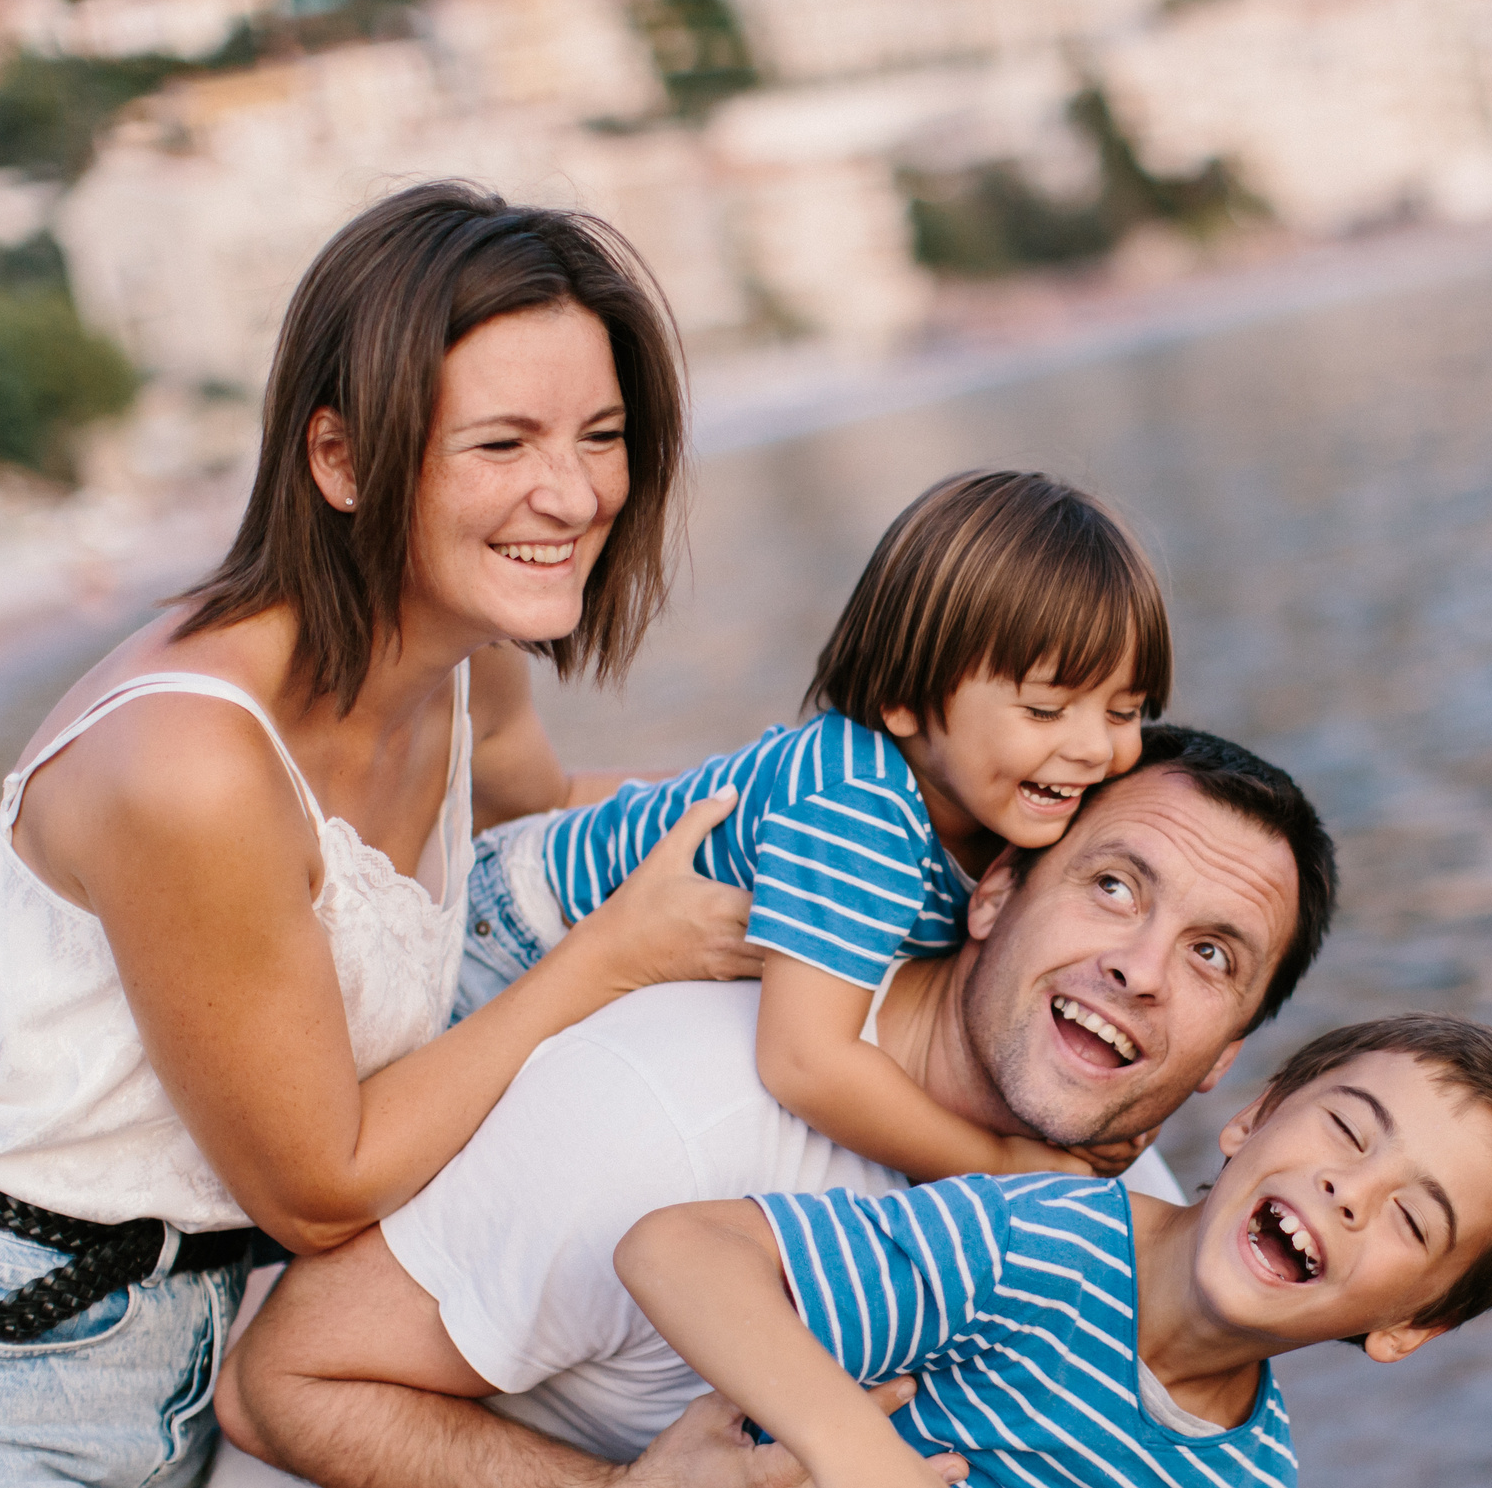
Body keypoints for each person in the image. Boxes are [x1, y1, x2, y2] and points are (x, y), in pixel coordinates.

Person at [0, 181, 758, 1488]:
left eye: (602, 435)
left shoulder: (463, 659)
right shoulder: (188, 760)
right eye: (502, 442)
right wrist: (617, 961)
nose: (572, 493)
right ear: (342, 454)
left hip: (190, 1346)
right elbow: (317, 1179)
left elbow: (558, 820)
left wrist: (868, 801)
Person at [208, 728, 1337, 1488]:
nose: (1139, 970)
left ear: (1225, 1060)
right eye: (1113, 887)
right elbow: (278, 1387)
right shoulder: (670, 1095)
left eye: (1210, 955)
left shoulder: (1128, 1193)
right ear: (992, 896)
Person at [592, 1011, 1492, 1488]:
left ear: (1411, 1325)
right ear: (1250, 1118)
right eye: (1349, 1128)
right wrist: (857, 1456)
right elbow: (675, 1252)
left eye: (1409, 1215)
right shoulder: (1038, 1244)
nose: (1350, 1189)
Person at [460, 467, 1172, 1184]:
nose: (1093, 747)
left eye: (1124, 711)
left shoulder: (1007, 794)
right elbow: (804, 1062)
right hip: (511, 936)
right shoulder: (858, 806)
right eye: (1047, 710)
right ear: (905, 698)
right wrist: (1001, 1164)